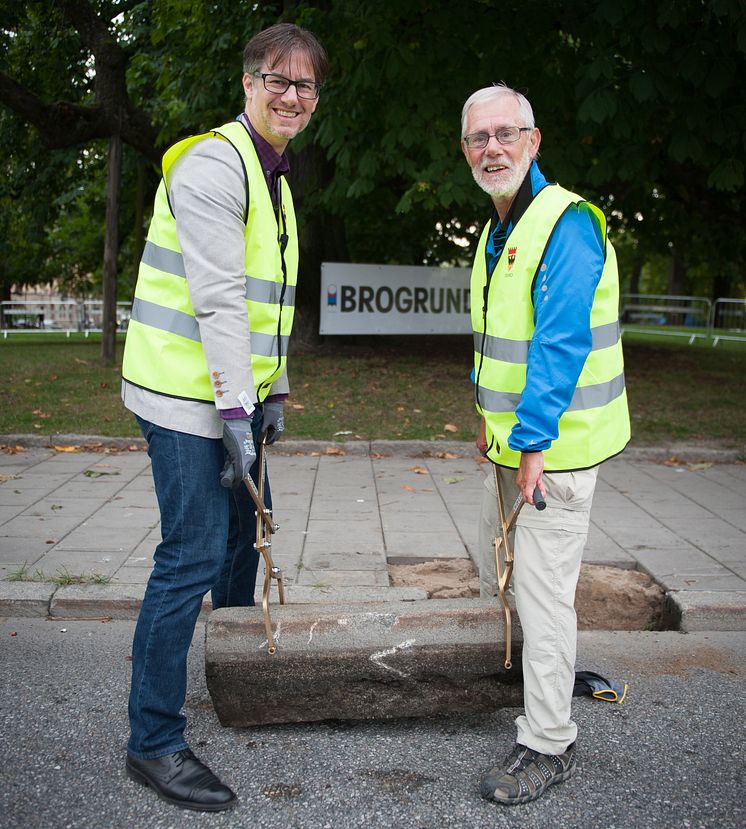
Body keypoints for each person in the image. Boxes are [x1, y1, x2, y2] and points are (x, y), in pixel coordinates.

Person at [119, 23, 328, 811]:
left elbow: (269, 303)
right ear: (247, 84)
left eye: (305, 86)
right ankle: (154, 740)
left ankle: (235, 675)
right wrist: (239, 411)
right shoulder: (215, 163)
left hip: (234, 397)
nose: (291, 95)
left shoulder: (274, 176)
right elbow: (216, 301)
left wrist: (273, 395)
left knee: (247, 536)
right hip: (182, 399)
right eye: (278, 79)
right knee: (192, 554)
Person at [461, 84, 630, 806]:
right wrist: (486, 417)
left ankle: (548, 741)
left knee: (543, 590)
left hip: (552, 452)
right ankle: (546, 682)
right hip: (516, 444)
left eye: (505, 133)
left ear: (535, 140)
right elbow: (498, 339)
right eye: (477, 137)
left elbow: (558, 346)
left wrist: (528, 444)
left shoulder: (565, 225)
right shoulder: (501, 226)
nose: (491, 147)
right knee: (523, 582)